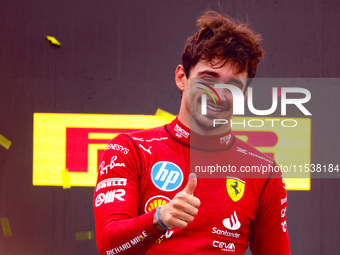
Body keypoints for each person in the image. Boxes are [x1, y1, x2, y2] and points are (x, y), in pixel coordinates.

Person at [94, 10, 290, 255]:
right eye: (208, 78)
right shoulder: (130, 150)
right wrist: (159, 219)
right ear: (181, 78)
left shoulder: (263, 170)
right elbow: (108, 247)